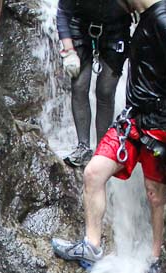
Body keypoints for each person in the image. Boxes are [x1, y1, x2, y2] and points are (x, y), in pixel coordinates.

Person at [52, 0, 166, 273]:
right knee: (93, 173)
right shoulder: (145, 15)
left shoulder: (163, 12)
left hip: (159, 122)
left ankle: (156, 258)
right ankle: (92, 245)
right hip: (132, 119)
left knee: (155, 194)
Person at [56, 0, 133, 167]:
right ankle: (82, 146)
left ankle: (102, 149)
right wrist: (69, 51)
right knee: (79, 85)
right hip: (80, 26)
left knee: (105, 91)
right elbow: (63, 12)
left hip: (117, 29)